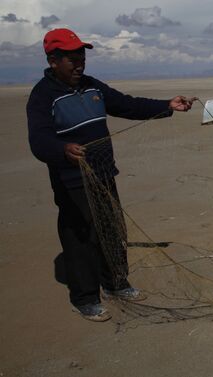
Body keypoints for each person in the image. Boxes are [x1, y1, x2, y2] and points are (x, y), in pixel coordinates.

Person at [26, 28, 195, 322]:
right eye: (71, 58)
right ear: (53, 60)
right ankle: (85, 298)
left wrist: (166, 106)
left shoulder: (92, 87)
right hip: (72, 182)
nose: (79, 63)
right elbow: (39, 141)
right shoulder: (43, 96)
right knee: (81, 238)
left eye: (81, 56)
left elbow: (127, 104)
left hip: (104, 174)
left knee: (112, 230)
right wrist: (62, 149)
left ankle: (117, 283)